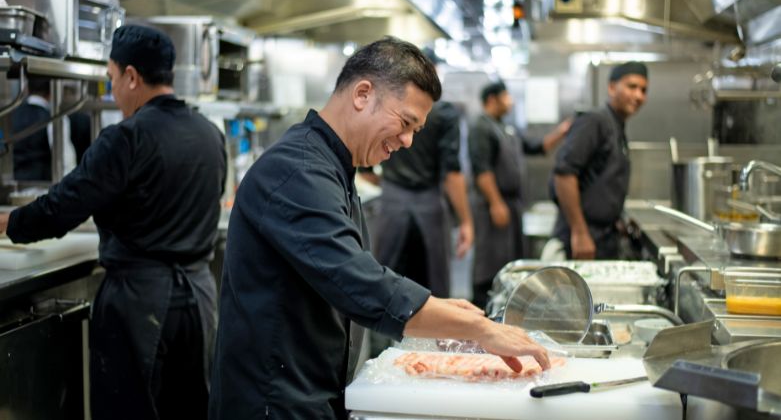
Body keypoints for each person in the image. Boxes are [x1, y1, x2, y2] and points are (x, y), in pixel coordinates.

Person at [208, 37, 550, 420]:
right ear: (363, 94)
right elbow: (360, 283)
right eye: (405, 123)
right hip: (272, 404)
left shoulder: (332, 166)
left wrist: (440, 310)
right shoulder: (296, 170)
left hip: (308, 391)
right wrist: (477, 329)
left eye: (416, 130)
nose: (406, 141)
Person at [0, 25, 227, 420]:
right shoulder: (210, 134)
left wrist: (8, 222)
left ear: (132, 77)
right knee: (190, 410)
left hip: (140, 305)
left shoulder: (126, 138)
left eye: (111, 79)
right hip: (199, 302)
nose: (113, 91)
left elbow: (63, 207)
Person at [469, 81, 571, 309]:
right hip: (492, 206)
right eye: (506, 96)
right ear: (492, 99)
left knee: (509, 261)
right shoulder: (481, 128)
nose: (511, 101)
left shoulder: (506, 128)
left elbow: (536, 147)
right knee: (490, 262)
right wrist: (496, 203)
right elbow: (481, 170)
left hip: (511, 205)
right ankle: (481, 311)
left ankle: (505, 309)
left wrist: (562, 132)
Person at [359, 97, 473, 298]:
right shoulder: (443, 113)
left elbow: (366, 170)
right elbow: (451, 174)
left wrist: (390, 183)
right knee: (434, 288)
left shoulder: (388, 107)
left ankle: (380, 331)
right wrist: (466, 221)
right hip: (430, 208)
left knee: (384, 286)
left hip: (392, 206)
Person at [549, 61, 648, 260]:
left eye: (643, 90)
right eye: (632, 86)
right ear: (612, 87)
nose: (638, 95)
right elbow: (564, 174)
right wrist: (580, 232)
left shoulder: (616, 126)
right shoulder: (595, 121)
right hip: (581, 241)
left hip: (602, 237)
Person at [10, 76, 83, 181]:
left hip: (18, 187)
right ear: (52, 90)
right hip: (45, 187)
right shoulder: (55, 118)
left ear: (27, 88)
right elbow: (66, 162)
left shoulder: (14, 114)